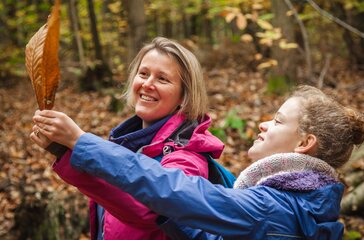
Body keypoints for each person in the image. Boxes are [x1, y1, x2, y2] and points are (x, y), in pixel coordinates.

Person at [33, 86, 364, 238]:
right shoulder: (302, 202)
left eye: (278, 121)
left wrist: (82, 142)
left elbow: (172, 189)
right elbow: (200, 230)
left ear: (305, 143)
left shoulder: (271, 207)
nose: (264, 124)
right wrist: (69, 154)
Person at [30, 37, 228, 240]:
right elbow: (112, 191)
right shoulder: (128, 144)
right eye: (143, 74)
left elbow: (152, 208)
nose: (147, 84)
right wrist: (64, 150)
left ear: (183, 96)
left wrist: (79, 141)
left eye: (162, 79)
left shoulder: (187, 157)